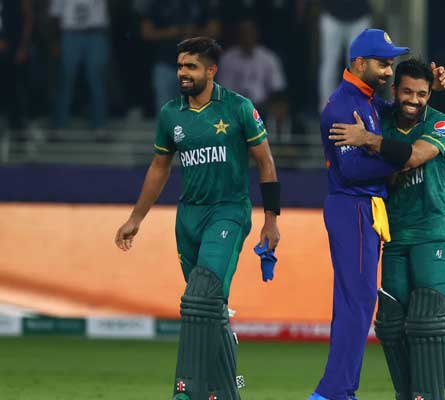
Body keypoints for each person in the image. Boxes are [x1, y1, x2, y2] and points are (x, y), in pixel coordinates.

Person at [114, 37, 280, 400]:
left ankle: (185, 389)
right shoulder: (171, 114)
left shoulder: (238, 108)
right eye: (179, 66)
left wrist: (271, 219)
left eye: (190, 67)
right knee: (209, 308)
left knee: (200, 294)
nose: (182, 73)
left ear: (211, 70)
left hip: (228, 213)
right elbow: (159, 168)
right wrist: (136, 218)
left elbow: (266, 162)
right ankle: (225, 392)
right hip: (188, 218)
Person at [310, 29, 445, 400]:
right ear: (359, 63)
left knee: (355, 302)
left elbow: (409, 108)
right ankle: (335, 391)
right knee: (357, 302)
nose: (389, 71)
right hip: (354, 206)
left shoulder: (368, 102)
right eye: (383, 63)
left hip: (363, 210)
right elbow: (353, 170)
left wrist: (433, 89)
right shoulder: (345, 106)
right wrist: (394, 167)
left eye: (391, 64)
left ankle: (336, 389)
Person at [141, 0, 221, 112]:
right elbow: (146, 32)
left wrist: (194, 32)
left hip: (197, 65)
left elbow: (215, 30)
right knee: (167, 114)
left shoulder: (203, 3)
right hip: (166, 64)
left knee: (199, 114)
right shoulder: (158, 3)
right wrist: (172, 32)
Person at [217, 18, 289, 141]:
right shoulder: (227, 59)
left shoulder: (268, 58)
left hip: (263, 107)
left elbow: (278, 89)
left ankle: (277, 147)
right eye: (244, 32)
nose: (247, 36)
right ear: (238, 35)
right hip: (235, 108)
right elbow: (223, 91)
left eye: (250, 32)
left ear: (256, 34)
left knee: (279, 108)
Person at [49, 0, 109, 132]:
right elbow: (55, 14)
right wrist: (55, 41)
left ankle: (100, 125)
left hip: (96, 33)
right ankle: (60, 125)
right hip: (70, 34)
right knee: (65, 80)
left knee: (97, 80)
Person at [317, 0, 371, 112]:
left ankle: (359, 108)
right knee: (330, 64)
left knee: (358, 65)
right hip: (332, 14)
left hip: (359, 15)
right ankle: (326, 108)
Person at [0, 0, 32, 140]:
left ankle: (18, 133)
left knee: (14, 91)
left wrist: (23, 47)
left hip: (12, 48)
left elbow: (27, 17)